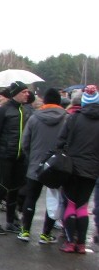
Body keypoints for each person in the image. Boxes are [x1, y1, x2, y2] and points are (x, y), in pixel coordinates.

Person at [17, 88, 67, 243]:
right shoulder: (67, 118)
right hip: (57, 166)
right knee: (54, 200)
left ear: (44, 101)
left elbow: (25, 142)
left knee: (31, 197)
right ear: (59, 102)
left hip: (36, 164)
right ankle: (46, 234)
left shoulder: (34, 118)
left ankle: (25, 231)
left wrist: (31, 156)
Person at [0, 80, 32, 235]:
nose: (27, 94)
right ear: (16, 93)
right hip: (5, 155)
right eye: (24, 92)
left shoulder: (23, 110)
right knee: (2, 188)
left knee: (15, 188)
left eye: (27, 92)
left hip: (20, 156)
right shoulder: (4, 110)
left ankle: (10, 222)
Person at [56, 84, 99, 253]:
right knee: (83, 206)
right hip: (92, 169)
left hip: (72, 167)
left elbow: (61, 141)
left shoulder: (74, 118)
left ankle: (70, 241)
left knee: (71, 204)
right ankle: (81, 243)